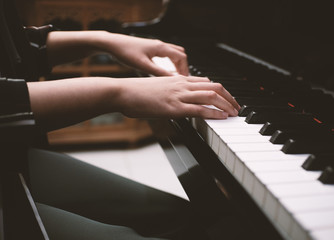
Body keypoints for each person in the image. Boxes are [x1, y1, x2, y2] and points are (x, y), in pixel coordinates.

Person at [0, 0, 240, 239]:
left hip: (9, 157)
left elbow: (12, 49)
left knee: (181, 213)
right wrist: (118, 93)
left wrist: (104, 40)